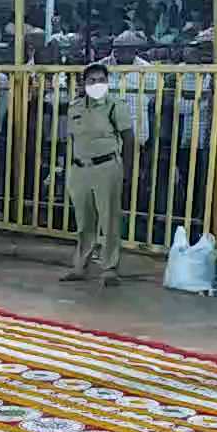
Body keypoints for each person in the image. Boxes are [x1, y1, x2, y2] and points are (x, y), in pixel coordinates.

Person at [61, 63, 135, 286]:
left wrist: (127, 172)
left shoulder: (115, 106)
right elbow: (72, 140)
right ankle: (80, 265)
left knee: (109, 218)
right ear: (84, 84)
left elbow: (129, 139)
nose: (96, 84)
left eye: (101, 80)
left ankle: (109, 267)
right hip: (79, 168)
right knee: (83, 220)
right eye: (91, 80)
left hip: (106, 167)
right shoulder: (74, 107)